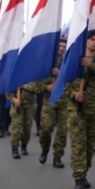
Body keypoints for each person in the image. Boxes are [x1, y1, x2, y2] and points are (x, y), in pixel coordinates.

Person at [68, 29, 95, 189]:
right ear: (85, 41)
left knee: (90, 145)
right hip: (76, 109)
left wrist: (89, 65)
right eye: (92, 39)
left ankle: (84, 172)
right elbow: (65, 84)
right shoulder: (74, 61)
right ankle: (78, 178)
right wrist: (74, 94)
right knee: (78, 144)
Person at [39, 37, 69, 166]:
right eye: (60, 46)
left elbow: (74, 78)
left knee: (62, 131)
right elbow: (34, 82)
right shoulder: (45, 62)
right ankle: (44, 149)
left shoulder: (69, 62)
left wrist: (60, 73)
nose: (62, 49)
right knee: (46, 128)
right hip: (50, 100)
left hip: (65, 100)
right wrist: (46, 87)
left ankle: (57, 156)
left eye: (64, 47)